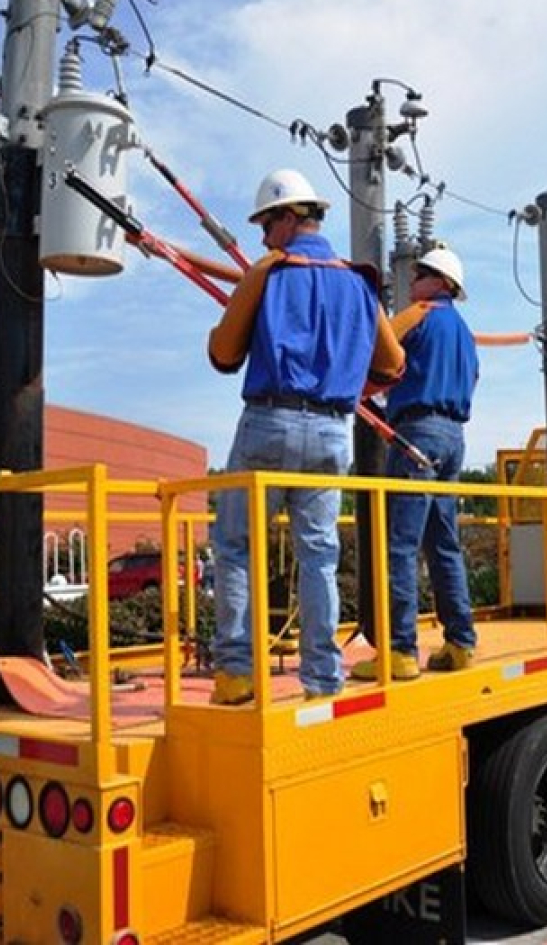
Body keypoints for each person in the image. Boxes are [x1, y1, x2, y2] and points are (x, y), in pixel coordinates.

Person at [206, 168, 405, 704]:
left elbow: (224, 353)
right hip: (331, 431)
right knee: (318, 555)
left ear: (290, 218)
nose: (263, 238)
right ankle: (322, 677)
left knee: (236, 545)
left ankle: (236, 672)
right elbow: (392, 365)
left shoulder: (269, 273)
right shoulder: (358, 283)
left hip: (268, 420)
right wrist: (340, 369)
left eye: (267, 225)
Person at [353, 246, 480, 681]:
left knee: (401, 544)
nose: (411, 282)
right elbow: (471, 378)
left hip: (416, 434)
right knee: (443, 542)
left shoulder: (421, 313)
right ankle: (461, 642)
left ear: (441, 283)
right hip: (453, 436)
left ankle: (399, 650)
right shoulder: (463, 331)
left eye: (420, 274)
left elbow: (376, 342)